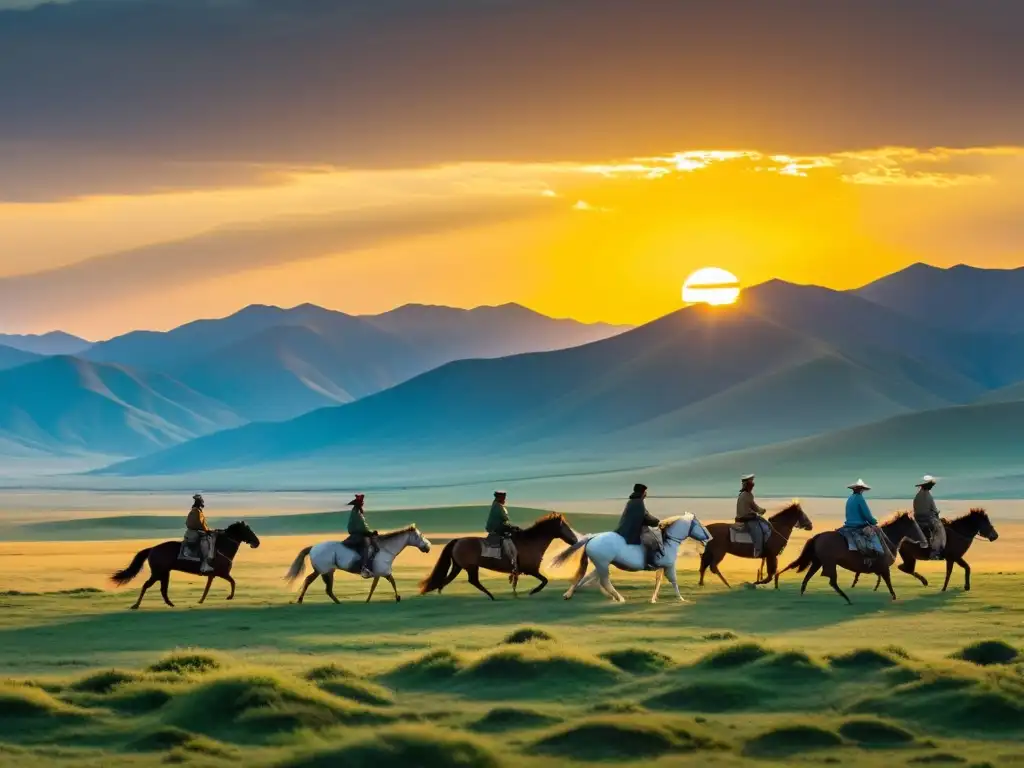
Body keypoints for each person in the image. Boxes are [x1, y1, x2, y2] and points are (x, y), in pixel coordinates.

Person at [614, 483, 661, 569]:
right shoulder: (638, 502)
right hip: (634, 529)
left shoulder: (633, 501)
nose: (646, 494)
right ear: (642, 493)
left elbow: (644, 515)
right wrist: (657, 522)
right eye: (645, 492)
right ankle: (648, 563)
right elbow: (645, 517)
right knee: (651, 541)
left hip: (626, 527)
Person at [843, 479, 885, 561]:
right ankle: (879, 553)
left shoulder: (850, 498)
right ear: (861, 490)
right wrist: (873, 521)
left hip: (848, 524)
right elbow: (867, 514)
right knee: (875, 533)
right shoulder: (860, 498)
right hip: (858, 525)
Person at [485, 490, 519, 575]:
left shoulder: (496, 505)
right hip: (497, 527)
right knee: (517, 531)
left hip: (498, 526)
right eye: (503, 497)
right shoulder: (498, 506)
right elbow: (504, 518)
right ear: (499, 497)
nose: (504, 499)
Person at [913, 475, 946, 559]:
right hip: (928, 519)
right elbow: (934, 509)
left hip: (917, 518)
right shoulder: (928, 496)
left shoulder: (917, 496)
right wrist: (937, 516)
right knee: (939, 530)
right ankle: (935, 552)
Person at [346, 494, 378, 579]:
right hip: (357, 533)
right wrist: (370, 533)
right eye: (362, 502)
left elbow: (363, 525)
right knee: (366, 546)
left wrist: (369, 532)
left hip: (357, 532)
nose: (363, 503)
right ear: (358, 504)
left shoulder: (357, 511)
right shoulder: (356, 513)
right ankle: (363, 568)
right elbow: (362, 526)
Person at [736, 474, 768, 557]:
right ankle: (757, 550)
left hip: (746, 517)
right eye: (751, 484)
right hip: (745, 518)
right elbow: (752, 508)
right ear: (747, 485)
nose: (752, 487)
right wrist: (759, 511)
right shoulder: (746, 495)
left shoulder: (746, 494)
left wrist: (760, 510)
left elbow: (753, 506)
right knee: (757, 530)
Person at [185, 493, 216, 574]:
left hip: (196, 531)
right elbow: (199, 523)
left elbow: (202, 523)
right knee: (208, 543)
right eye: (201, 502)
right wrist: (207, 530)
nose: (202, 503)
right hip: (196, 532)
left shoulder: (195, 511)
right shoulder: (196, 511)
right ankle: (205, 564)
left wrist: (207, 529)